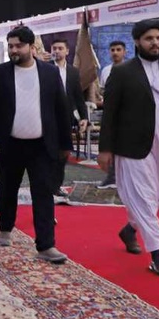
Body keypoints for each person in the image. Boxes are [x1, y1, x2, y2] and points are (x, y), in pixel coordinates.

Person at [97, 19, 159, 278]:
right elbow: (110, 113)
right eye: (149, 39)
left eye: (158, 38)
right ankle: (157, 255)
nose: (155, 43)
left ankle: (129, 230)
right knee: (143, 197)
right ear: (137, 42)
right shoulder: (123, 72)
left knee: (158, 197)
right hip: (133, 146)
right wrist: (105, 149)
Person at [0, 25, 72, 263]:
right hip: (9, 144)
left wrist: (65, 143)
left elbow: (61, 108)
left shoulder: (50, 73)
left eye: (18, 46)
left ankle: (46, 245)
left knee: (43, 193)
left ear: (32, 47)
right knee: (7, 189)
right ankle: (5, 227)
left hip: (42, 145)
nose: (13, 50)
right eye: (10, 46)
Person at [49, 38, 89, 203]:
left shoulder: (73, 72)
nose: (57, 51)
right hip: (48, 118)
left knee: (64, 153)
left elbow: (79, 96)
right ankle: (46, 185)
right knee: (49, 153)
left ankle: (56, 185)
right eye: (54, 48)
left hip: (66, 119)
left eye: (60, 48)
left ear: (67, 51)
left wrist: (84, 117)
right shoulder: (45, 69)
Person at [96, 40, 127, 189]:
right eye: (113, 50)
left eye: (118, 50)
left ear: (124, 52)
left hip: (127, 115)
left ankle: (125, 178)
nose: (115, 53)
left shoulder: (131, 70)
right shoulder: (106, 70)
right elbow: (102, 91)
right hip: (109, 114)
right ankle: (111, 176)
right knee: (110, 144)